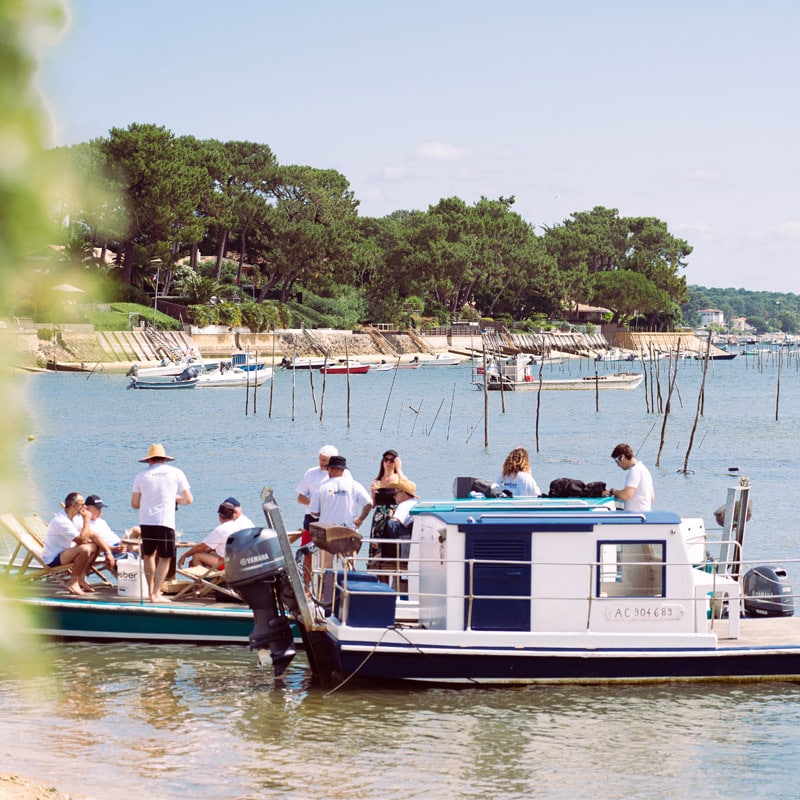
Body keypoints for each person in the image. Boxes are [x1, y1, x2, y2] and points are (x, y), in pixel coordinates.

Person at [131, 443, 193, 603]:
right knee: (165, 557)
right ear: (164, 459)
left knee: (148, 555)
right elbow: (188, 499)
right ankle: (156, 593)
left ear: (149, 460)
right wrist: (175, 499)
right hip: (165, 521)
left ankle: (150, 591)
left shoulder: (141, 476)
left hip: (146, 520)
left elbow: (134, 504)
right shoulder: (176, 473)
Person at [41, 492, 114, 596]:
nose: (84, 507)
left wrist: (108, 552)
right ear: (74, 506)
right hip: (54, 558)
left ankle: (81, 578)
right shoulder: (61, 521)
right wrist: (87, 519)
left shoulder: (75, 518)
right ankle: (73, 581)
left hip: (66, 552)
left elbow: (93, 535)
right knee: (85, 549)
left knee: (95, 546)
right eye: (82, 505)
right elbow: (82, 541)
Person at [309, 454, 373, 568]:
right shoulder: (354, 485)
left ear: (332, 469)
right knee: (349, 567)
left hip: (327, 532)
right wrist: (360, 519)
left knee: (325, 567)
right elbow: (369, 503)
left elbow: (314, 512)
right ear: (343, 470)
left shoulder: (321, 487)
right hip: (348, 531)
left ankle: (325, 585)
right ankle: (348, 584)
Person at [178, 497, 254, 570]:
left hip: (228, 564)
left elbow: (201, 547)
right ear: (233, 515)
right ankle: (214, 579)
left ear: (220, 516)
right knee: (209, 552)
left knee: (197, 556)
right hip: (238, 561)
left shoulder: (221, 529)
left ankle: (202, 582)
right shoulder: (238, 526)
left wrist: (185, 555)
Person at [369, 449, 408, 564]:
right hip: (378, 517)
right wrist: (372, 494)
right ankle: (380, 579)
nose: (388, 462)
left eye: (392, 460)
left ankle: (395, 579)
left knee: (392, 549)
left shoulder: (399, 478)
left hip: (393, 515)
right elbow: (373, 504)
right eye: (386, 460)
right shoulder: (377, 481)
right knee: (377, 549)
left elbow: (408, 488)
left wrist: (399, 469)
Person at [380, 477, 419, 586]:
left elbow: (394, 522)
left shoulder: (404, 505)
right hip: (414, 540)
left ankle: (392, 554)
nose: (394, 496)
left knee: (389, 524)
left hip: (407, 543)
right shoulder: (415, 504)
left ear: (405, 493)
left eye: (396, 493)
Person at [604, 443, 655, 511]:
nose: (618, 465)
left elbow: (627, 494)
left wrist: (612, 492)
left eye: (617, 461)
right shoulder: (644, 470)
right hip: (645, 515)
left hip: (634, 517)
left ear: (622, 457)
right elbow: (651, 498)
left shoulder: (635, 471)